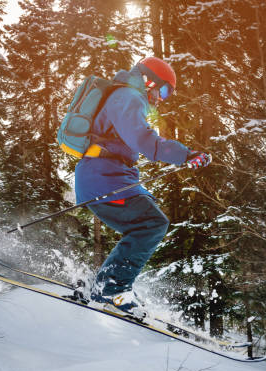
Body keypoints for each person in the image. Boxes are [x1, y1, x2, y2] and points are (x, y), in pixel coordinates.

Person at [73, 57, 211, 317]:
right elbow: (144, 140)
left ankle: (106, 284)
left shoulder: (126, 96)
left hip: (108, 177)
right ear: (149, 81)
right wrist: (186, 154)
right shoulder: (128, 96)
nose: (162, 98)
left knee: (148, 222)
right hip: (103, 178)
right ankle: (111, 288)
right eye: (164, 90)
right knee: (151, 223)